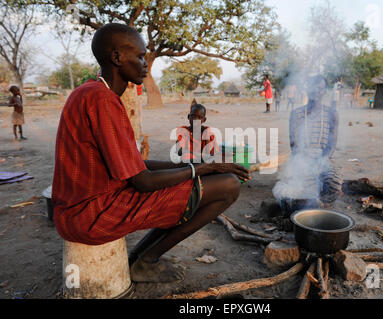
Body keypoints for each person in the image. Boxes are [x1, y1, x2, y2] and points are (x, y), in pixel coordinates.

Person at [51, 23, 250, 284]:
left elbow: (134, 165)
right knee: (227, 186)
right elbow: (142, 181)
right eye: (141, 56)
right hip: (90, 215)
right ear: (117, 57)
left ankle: (141, 257)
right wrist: (202, 169)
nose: (146, 64)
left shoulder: (90, 93)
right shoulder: (102, 100)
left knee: (201, 181)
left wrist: (195, 164)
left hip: (81, 209)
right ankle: (147, 260)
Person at [289, 75, 341, 204]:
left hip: (324, 158)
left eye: (321, 88)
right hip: (301, 158)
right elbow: (293, 144)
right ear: (307, 89)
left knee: (332, 185)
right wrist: (303, 159)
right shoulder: (296, 114)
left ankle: (323, 204)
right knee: (293, 186)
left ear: (325, 92)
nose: (316, 91)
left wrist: (323, 160)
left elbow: (333, 143)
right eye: (313, 87)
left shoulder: (332, 113)